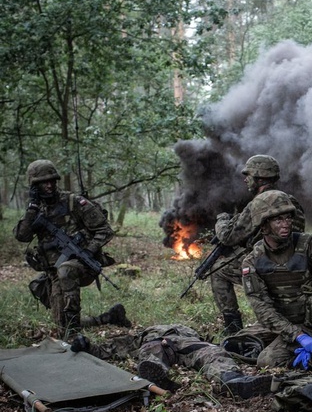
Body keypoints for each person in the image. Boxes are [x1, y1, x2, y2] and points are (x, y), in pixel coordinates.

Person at [13, 159, 130, 340]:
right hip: (52, 272)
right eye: (44, 182)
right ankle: (107, 318)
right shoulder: (36, 210)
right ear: (34, 186)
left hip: (80, 265)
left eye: (53, 180)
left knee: (65, 270)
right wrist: (32, 209)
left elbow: (105, 230)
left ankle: (75, 336)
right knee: (62, 327)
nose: (50, 185)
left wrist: (89, 251)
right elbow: (22, 236)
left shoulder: (73, 202)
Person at [240, 190, 312, 369]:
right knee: (235, 344)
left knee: (267, 361)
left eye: (288, 218)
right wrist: (297, 336)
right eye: (278, 220)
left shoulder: (309, 245)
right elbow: (262, 308)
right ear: (263, 226)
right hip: (287, 327)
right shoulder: (252, 261)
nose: (286, 224)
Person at [211, 155, 305, 334]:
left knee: (218, 271)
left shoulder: (258, 204)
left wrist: (222, 219)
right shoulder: (291, 200)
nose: (245, 179)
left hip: (266, 264)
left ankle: (233, 327)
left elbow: (227, 237)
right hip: (296, 264)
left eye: (249, 175)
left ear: (260, 177)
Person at [68, 324, 273, 399]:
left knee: (213, 353)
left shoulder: (187, 329)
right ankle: (156, 375)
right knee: (151, 354)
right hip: (155, 342)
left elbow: (210, 345)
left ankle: (233, 380)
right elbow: (109, 349)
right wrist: (85, 344)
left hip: (188, 342)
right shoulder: (141, 336)